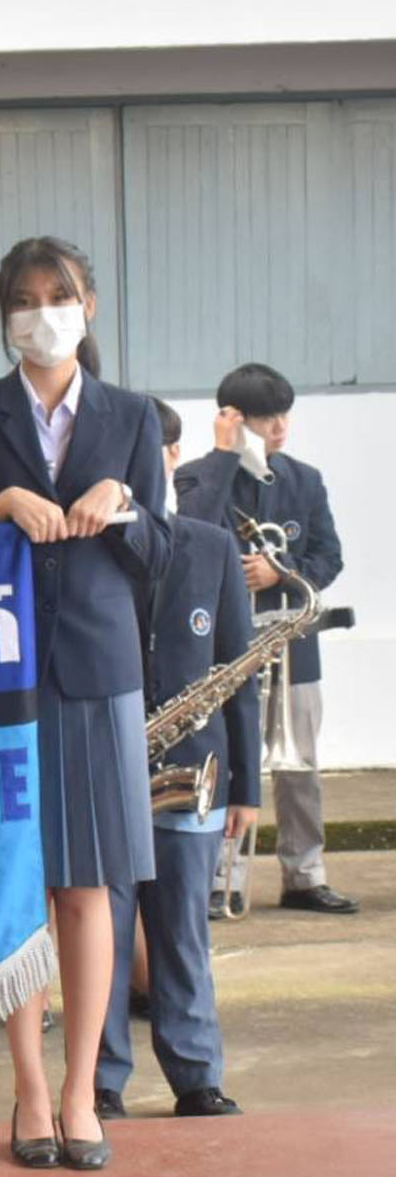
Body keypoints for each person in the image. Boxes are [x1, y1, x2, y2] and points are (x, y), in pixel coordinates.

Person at [0, 235, 169, 1172]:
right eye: (22, 299)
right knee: (19, 889)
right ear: (4, 318)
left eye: (56, 295)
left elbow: (162, 553)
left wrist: (129, 505)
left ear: (88, 305)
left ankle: (83, 1094)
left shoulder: (133, 417)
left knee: (90, 886)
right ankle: (27, 1088)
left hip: (98, 672)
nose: (40, 312)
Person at [94, 399, 259, 1124]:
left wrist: (247, 787)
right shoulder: (88, 545)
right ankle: (101, 1080)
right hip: (106, 769)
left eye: (150, 450)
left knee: (184, 932)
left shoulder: (213, 546)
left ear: (170, 455)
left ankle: (197, 1075)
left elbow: (238, 675)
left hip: (196, 776)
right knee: (102, 933)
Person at [174, 364, 353, 916]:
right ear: (232, 421)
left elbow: (330, 558)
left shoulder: (305, 479)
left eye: (283, 415)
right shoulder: (201, 477)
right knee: (229, 764)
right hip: (226, 653)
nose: (280, 427)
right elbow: (190, 534)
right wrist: (225, 457)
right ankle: (222, 877)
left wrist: (281, 571)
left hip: (293, 648)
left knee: (301, 768)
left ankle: (305, 874)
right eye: (266, 418)